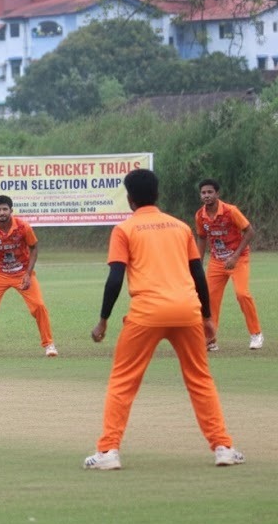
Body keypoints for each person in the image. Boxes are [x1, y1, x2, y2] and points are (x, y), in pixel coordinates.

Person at [85, 169, 244, 470]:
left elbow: (115, 277)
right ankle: (223, 447)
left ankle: (108, 453)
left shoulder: (125, 230)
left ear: (130, 199)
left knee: (123, 381)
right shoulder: (180, 227)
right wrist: (207, 316)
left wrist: (103, 320)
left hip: (146, 314)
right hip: (187, 311)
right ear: (158, 196)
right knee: (200, 380)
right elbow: (198, 274)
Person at [0, 194, 56, 358]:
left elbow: (34, 248)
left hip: (22, 272)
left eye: (5, 209)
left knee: (38, 306)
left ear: (11, 210)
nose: (2, 212)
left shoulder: (23, 227)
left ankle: (49, 345)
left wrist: (28, 274)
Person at [194, 179, 263, 351]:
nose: (207, 195)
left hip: (238, 259)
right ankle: (210, 340)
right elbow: (202, 237)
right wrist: (198, 262)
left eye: (210, 192)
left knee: (242, 294)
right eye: (203, 192)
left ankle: (256, 334)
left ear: (217, 194)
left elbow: (250, 231)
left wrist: (235, 256)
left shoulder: (230, 211)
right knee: (208, 299)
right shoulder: (200, 215)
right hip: (217, 262)